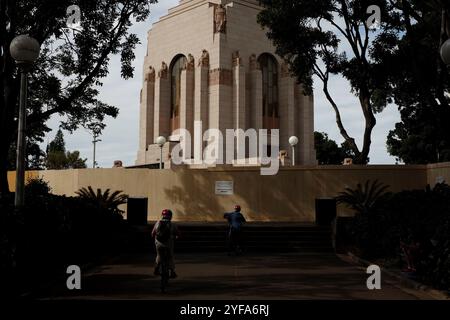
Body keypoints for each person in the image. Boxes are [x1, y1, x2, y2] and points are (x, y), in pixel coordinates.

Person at [152, 209, 179, 278]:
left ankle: (156, 268)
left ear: (162, 216)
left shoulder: (157, 223)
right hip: (169, 243)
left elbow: (152, 233)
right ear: (171, 216)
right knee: (170, 256)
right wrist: (175, 237)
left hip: (159, 243)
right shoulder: (173, 224)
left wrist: (155, 238)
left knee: (159, 255)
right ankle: (172, 272)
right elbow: (178, 234)